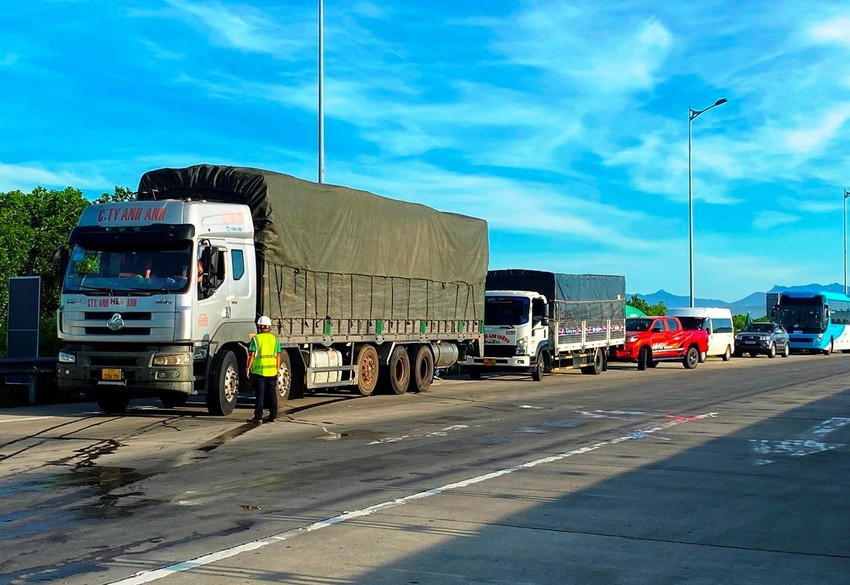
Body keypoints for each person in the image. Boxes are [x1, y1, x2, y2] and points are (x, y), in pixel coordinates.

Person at [245, 315, 281, 424]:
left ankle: (258, 416)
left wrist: (247, 368)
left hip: (259, 372)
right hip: (272, 372)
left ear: (259, 327)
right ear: (269, 327)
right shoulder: (275, 339)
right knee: (272, 394)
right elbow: (278, 355)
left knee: (260, 395)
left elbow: (251, 355)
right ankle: (273, 415)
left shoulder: (255, 339)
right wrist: (277, 368)